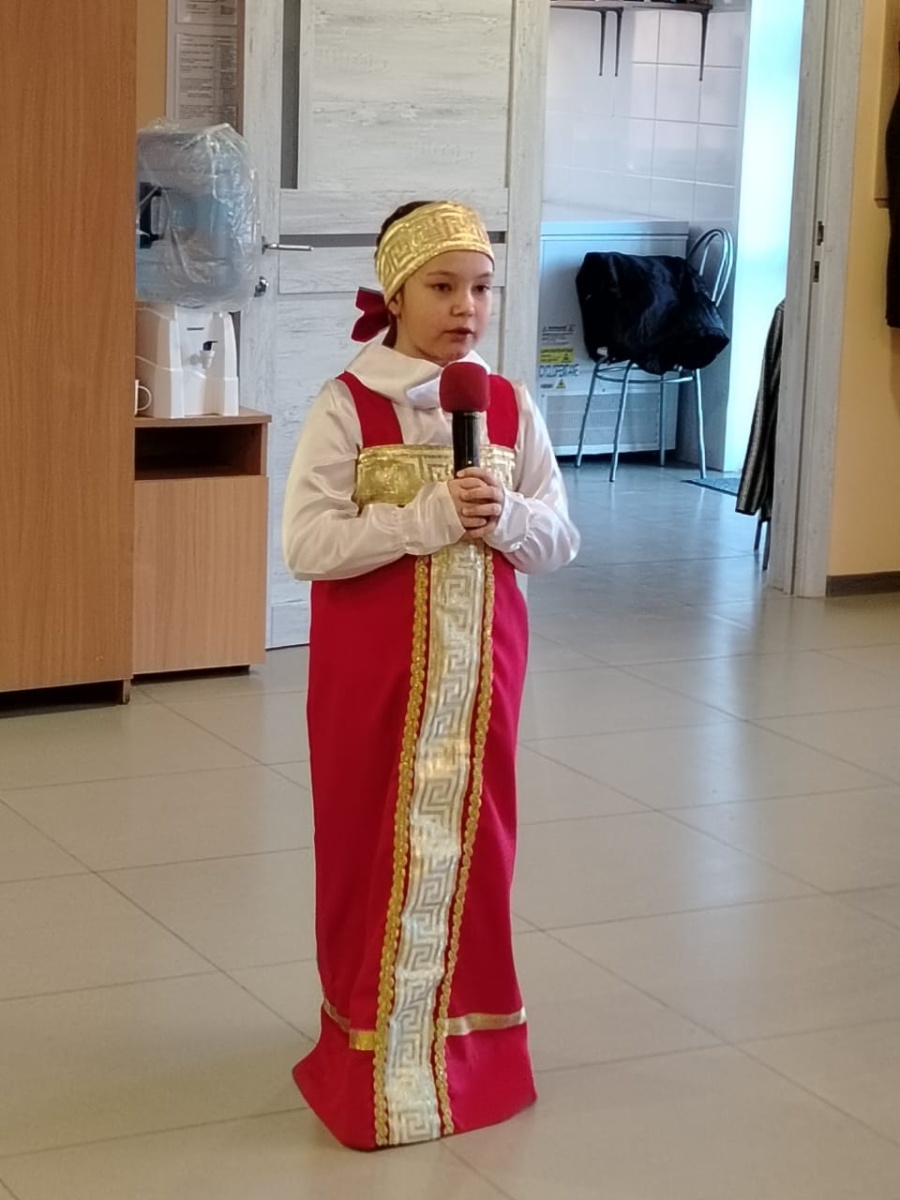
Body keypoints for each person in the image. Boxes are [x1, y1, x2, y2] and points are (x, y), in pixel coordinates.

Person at [282, 200, 580, 1151]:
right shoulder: (348, 405)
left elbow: (559, 538)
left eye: (482, 287)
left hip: (483, 677)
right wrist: (426, 520)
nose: (466, 308)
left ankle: (471, 1055)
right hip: (374, 681)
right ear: (396, 294)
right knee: (369, 848)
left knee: (478, 850)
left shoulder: (509, 405)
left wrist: (505, 518)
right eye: (442, 287)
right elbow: (308, 544)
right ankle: (370, 1056)